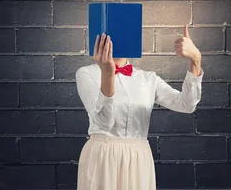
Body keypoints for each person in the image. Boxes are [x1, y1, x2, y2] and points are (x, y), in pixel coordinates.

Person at [75, 25, 203, 190]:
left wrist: (196, 60)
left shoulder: (148, 78)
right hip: (103, 156)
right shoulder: (86, 73)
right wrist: (107, 74)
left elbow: (187, 104)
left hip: (139, 157)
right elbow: (103, 122)